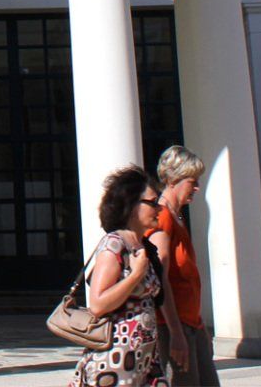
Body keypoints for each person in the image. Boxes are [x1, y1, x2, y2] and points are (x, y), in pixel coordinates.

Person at [70, 165, 170, 387]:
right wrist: (135, 276)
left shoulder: (143, 246)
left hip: (144, 360)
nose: (159, 209)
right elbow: (97, 304)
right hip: (114, 362)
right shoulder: (114, 245)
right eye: (152, 203)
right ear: (132, 206)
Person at [150, 146, 211, 385]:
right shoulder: (162, 216)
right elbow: (160, 277)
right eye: (192, 182)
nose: (196, 188)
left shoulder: (178, 217)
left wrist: (199, 324)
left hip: (190, 323)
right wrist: (176, 332)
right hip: (172, 325)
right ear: (174, 180)